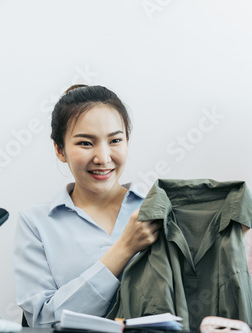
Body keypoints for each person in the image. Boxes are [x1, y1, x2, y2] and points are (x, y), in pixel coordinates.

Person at [13, 84, 162, 327]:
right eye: (85, 143)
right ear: (60, 150)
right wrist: (124, 249)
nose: (103, 158)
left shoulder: (158, 212)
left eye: (115, 140)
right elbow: (41, 322)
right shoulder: (36, 223)